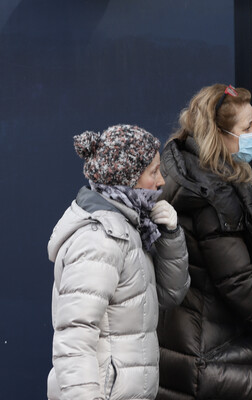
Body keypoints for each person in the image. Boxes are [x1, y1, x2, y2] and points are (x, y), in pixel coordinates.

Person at [157, 84, 252, 400]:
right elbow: (240, 284)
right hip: (214, 351)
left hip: (191, 344)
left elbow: (247, 221)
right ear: (221, 134)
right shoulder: (213, 195)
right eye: (248, 127)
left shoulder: (190, 172)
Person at [46, 124, 190, 400]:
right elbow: (75, 338)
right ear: (128, 178)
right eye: (153, 172)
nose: (161, 181)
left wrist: (170, 236)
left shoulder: (130, 228)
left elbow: (170, 295)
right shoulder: (99, 239)